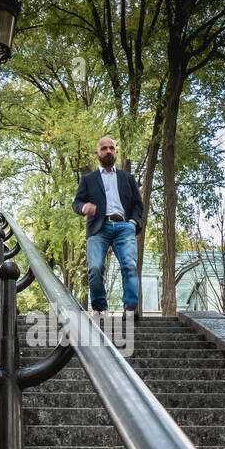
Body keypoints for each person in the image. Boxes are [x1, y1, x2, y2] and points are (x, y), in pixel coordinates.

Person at [73, 135, 144, 315]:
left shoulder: (127, 178)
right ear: (97, 153)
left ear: (116, 152)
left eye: (111, 148)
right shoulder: (88, 179)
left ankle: (129, 308)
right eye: (104, 148)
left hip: (124, 227)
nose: (108, 151)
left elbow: (138, 204)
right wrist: (84, 208)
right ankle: (99, 308)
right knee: (95, 267)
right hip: (99, 228)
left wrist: (133, 223)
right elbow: (77, 203)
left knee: (129, 265)